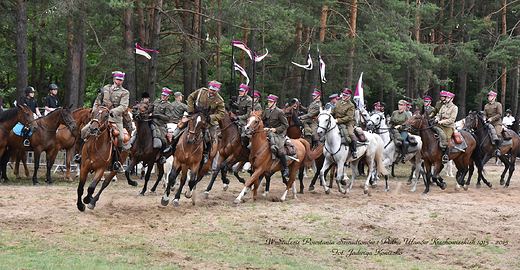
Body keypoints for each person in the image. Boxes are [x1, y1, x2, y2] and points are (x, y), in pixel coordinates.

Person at [76, 71, 129, 171]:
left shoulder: (125, 92)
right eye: (117, 79)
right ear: (114, 79)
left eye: (121, 80)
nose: (119, 81)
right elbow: (97, 100)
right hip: (100, 117)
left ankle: (116, 162)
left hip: (115, 118)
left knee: (121, 138)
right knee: (84, 130)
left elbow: (124, 106)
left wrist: (113, 111)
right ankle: (80, 155)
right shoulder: (105, 88)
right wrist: (95, 111)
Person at [184, 80, 226, 164]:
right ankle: (171, 147)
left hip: (209, 120)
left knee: (209, 137)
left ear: (218, 91)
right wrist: (190, 111)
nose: (211, 91)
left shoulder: (219, 100)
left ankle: (205, 154)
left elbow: (222, 114)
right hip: (196, 116)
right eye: (211, 89)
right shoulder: (201, 92)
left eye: (214, 90)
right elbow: (190, 97)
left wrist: (210, 118)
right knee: (180, 127)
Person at [262, 94, 290, 177]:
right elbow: (263, 120)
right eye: (268, 102)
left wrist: (276, 129)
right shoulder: (267, 110)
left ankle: (286, 168)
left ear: (275, 103)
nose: (269, 104)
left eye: (270, 102)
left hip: (278, 134)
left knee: (280, 150)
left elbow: (286, 125)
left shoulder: (280, 112)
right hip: (268, 132)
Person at [148, 87, 175, 163]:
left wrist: (158, 116)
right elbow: (149, 109)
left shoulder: (168, 105)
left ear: (168, 97)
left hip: (160, 125)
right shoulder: (156, 101)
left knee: (162, 139)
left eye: (165, 95)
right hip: (150, 121)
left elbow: (168, 118)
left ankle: (163, 155)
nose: (163, 96)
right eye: (162, 94)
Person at [331, 88, 357, 158]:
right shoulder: (339, 102)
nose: (343, 97)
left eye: (345, 96)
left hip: (348, 122)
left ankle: (353, 151)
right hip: (336, 120)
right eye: (343, 95)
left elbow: (348, 117)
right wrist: (328, 116)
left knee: (350, 134)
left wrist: (338, 121)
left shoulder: (351, 105)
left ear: (349, 97)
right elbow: (333, 112)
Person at [434, 91, 458, 163]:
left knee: (447, 138)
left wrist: (442, 122)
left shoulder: (454, 108)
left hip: (448, 126)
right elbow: (439, 115)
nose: (446, 99)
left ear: (451, 99)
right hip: (440, 124)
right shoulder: (443, 106)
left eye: (448, 98)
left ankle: (446, 155)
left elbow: (452, 119)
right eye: (446, 98)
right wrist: (437, 119)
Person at [483, 91, 503, 156]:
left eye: (491, 96)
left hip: (497, 122)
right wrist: (484, 118)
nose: (489, 97)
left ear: (494, 97)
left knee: (497, 133)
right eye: (489, 96)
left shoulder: (498, 104)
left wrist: (492, 118)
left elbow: (499, 114)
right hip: (488, 123)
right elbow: (485, 114)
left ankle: (498, 149)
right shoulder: (486, 106)